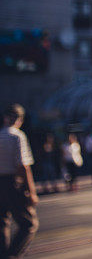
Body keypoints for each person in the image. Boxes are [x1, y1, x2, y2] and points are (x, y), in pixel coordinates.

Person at [0, 104, 39, 257]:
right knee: (29, 224)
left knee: (3, 222)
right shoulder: (17, 136)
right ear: (19, 119)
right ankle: (12, 255)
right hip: (12, 183)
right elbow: (23, 166)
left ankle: (3, 254)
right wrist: (31, 191)